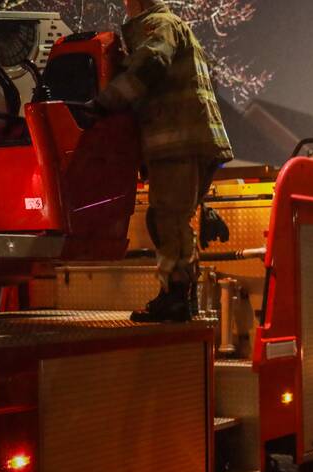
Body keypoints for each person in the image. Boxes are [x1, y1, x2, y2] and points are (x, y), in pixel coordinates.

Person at [94, 0, 233, 322]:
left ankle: (175, 297)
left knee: (166, 220)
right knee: (173, 220)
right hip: (191, 141)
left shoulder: (159, 25)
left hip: (178, 143)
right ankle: (183, 296)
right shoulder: (172, 26)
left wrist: (106, 101)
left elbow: (151, 61)